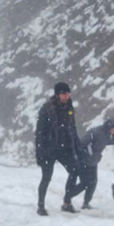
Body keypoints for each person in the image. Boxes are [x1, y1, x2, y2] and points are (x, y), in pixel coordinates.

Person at [35, 83, 82, 215]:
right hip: (49, 148)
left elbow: (72, 128)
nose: (66, 96)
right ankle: (41, 206)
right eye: (64, 94)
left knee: (74, 171)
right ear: (57, 94)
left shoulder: (69, 107)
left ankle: (67, 202)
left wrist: (77, 147)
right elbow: (39, 132)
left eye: (68, 94)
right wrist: (40, 151)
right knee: (46, 177)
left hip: (64, 147)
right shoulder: (47, 109)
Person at [68, 117, 114, 210]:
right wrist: (86, 155)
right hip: (84, 161)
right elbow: (82, 143)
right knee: (85, 183)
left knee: (93, 182)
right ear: (111, 126)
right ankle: (68, 197)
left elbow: (103, 142)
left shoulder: (107, 133)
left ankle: (86, 203)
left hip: (93, 161)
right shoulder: (97, 132)